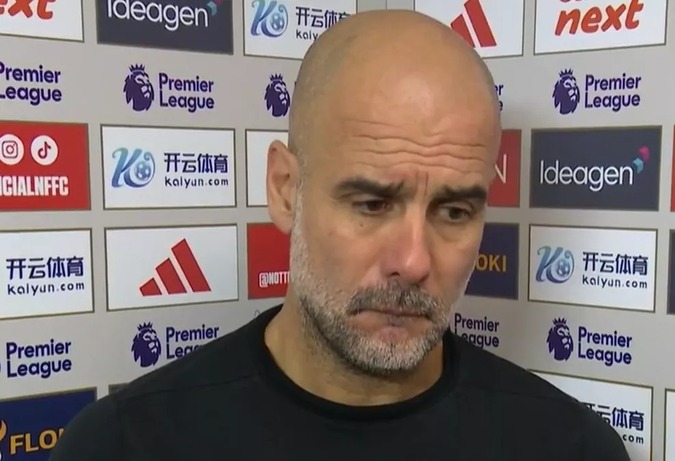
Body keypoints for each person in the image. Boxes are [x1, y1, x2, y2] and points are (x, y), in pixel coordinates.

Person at [50, 9, 630, 461]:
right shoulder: (122, 446)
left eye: (453, 212)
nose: (413, 261)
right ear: (285, 190)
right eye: (372, 204)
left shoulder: (572, 448)